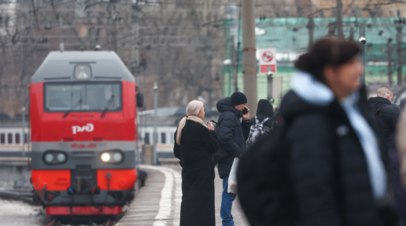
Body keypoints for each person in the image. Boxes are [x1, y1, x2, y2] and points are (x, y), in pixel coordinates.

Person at [240, 37, 396, 226]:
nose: (359, 69)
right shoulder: (311, 122)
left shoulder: (353, 112)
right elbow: (314, 193)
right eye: (351, 63)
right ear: (331, 73)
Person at [173, 100, 218, 226]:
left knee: (188, 202)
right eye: (203, 110)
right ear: (198, 112)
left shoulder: (181, 127)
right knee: (203, 204)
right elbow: (214, 146)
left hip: (188, 172)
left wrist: (187, 160)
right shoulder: (201, 129)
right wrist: (212, 131)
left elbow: (177, 151)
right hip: (203, 174)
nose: (204, 112)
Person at [215, 91, 250, 226]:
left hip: (232, 160)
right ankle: (227, 222)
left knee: (230, 192)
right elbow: (224, 137)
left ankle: (227, 222)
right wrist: (238, 152)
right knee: (228, 192)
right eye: (244, 104)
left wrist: (246, 120)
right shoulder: (229, 116)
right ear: (239, 104)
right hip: (230, 160)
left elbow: (242, 137)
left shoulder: (233, 115)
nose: (245, 106)